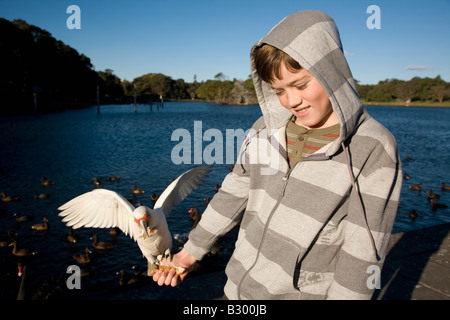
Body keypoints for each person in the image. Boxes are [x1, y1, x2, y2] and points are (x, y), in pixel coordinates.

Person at [152, 10, 402, 300]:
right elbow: (233, 193)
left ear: (331, 73)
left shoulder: (373, 148)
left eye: (301, 84)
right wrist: (189, 253)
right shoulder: (263, 130)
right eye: (279, 90)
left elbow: (362, 255)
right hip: (237, 291)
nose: (292, 101)